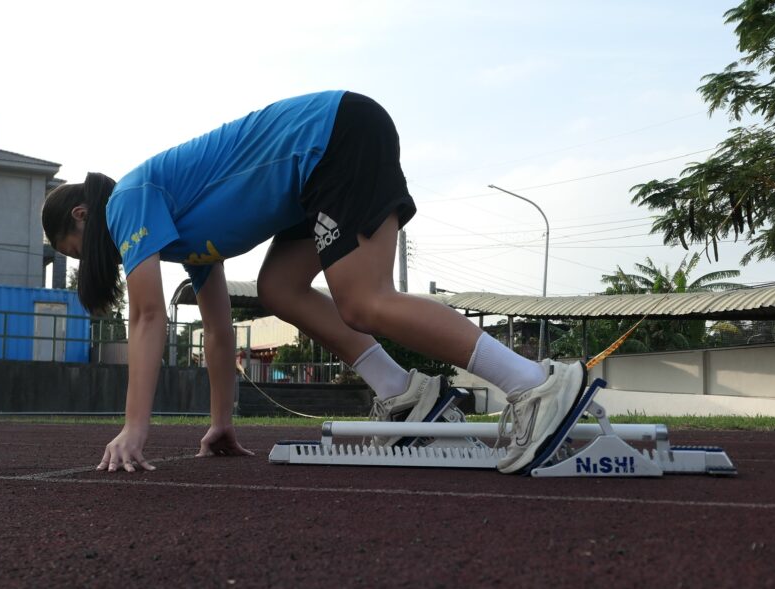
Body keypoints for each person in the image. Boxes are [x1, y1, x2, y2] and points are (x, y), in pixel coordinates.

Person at [42, 90, 586, 474]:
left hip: (332, 138)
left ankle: (535, 383)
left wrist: (135, 428)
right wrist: (221, 423)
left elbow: (146, 317)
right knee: (278, 288)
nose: (99, 261)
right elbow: (217, 332)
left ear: (84, 216)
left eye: (75, 251)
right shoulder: (180, 238)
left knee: (363, 301)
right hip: (313, 174)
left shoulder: (128, 200)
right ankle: (404, 392)